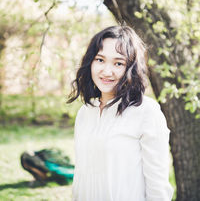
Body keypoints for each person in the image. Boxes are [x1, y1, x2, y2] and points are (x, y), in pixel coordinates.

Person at [68, 26, 173, 201]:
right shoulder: (85, 112)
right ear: (90, 62)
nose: (107, 71)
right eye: (100, 60)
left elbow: (158, 186)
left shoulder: (146, 112)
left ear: (130, 68)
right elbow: (80, 176)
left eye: (118, 63)